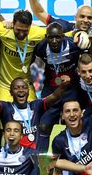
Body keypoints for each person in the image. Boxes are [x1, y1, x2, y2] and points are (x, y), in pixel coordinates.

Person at [0, 75, 70, 150]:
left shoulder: (37, 106)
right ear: (11, 92)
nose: (21, 90)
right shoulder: (6, 108)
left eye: (24, 87)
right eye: (16, 88)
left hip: (33, 156)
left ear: (28, 91)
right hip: (13, 156)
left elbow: (54, 96)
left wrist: (63, 86)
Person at [35, 22, 82, 152]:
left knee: (73, 124)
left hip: (71, 89)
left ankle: (74, 155)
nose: (54, 41)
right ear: (46, 36)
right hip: (51, 89)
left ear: (63, 37)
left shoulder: (74, 45)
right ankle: (41, 164)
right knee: (44, 125)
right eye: (51, 37)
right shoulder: (41, 48)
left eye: (58, 37)